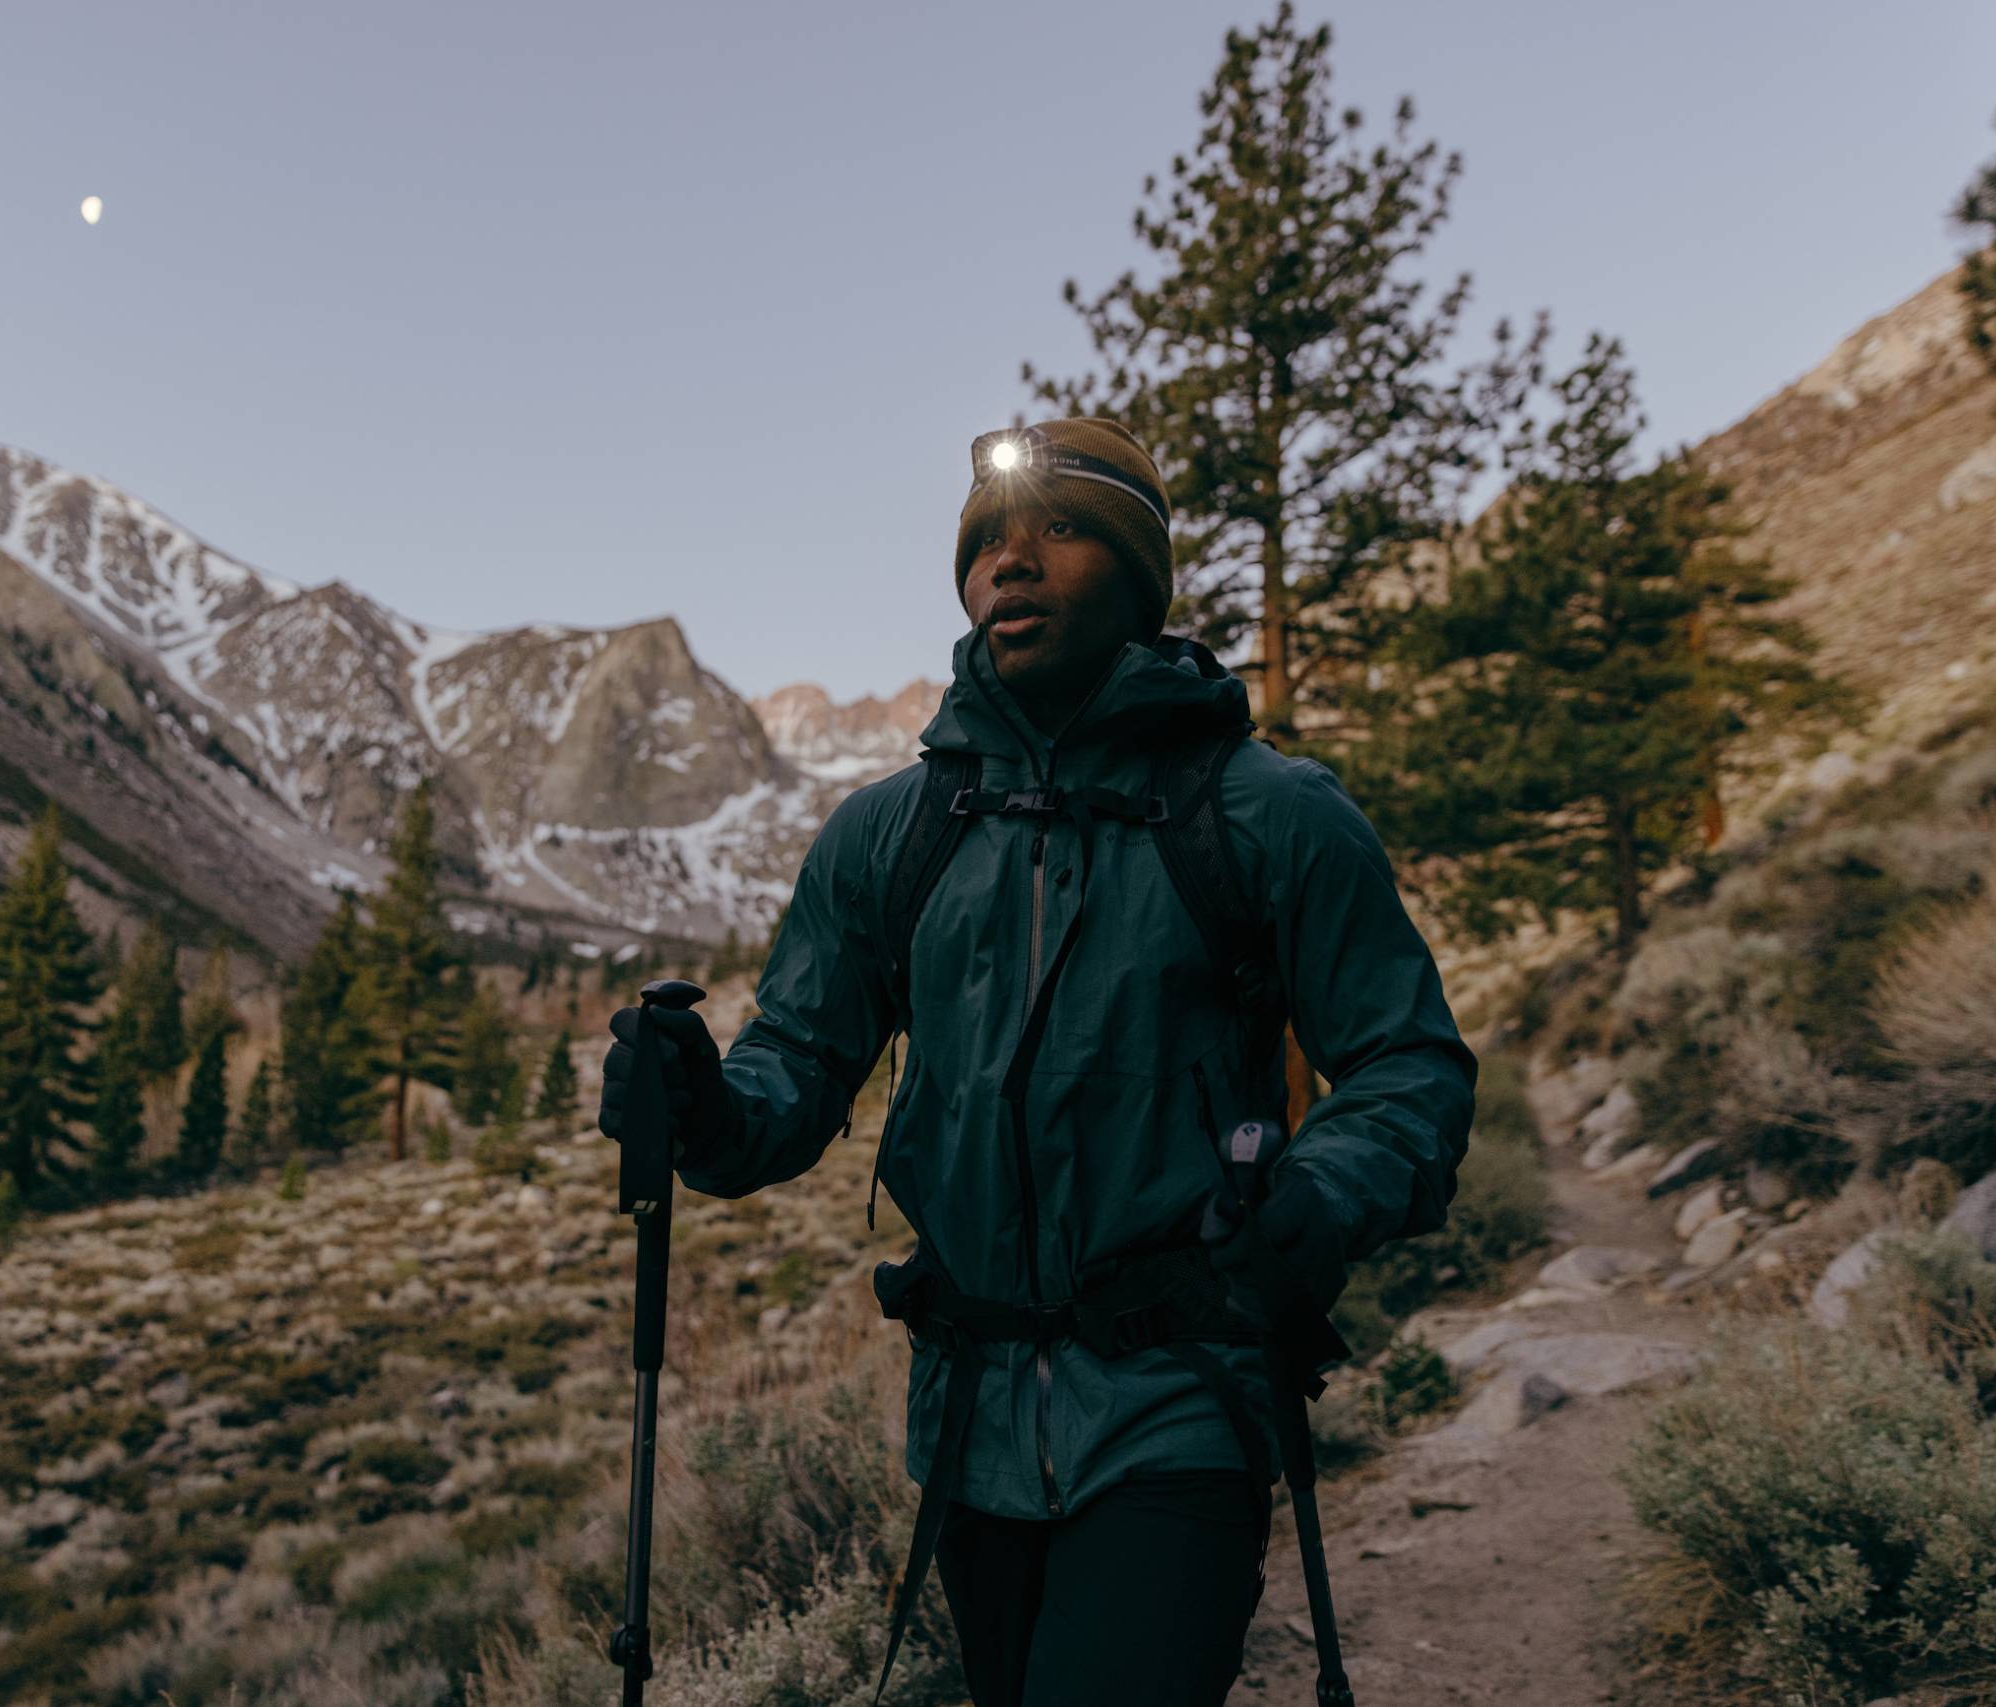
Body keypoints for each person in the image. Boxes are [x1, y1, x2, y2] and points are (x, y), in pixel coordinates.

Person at [599, 417, 1476, 1707]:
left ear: (1136, 572)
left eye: (1059, 531)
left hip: (1182, 1404)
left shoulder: (1266, 813)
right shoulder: (890, 834)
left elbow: (1409, 1068)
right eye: (986, 546)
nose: (1011, 566)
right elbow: (794, 1059)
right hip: (968, 1427)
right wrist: (704, 1106)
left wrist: (1321, 1193)